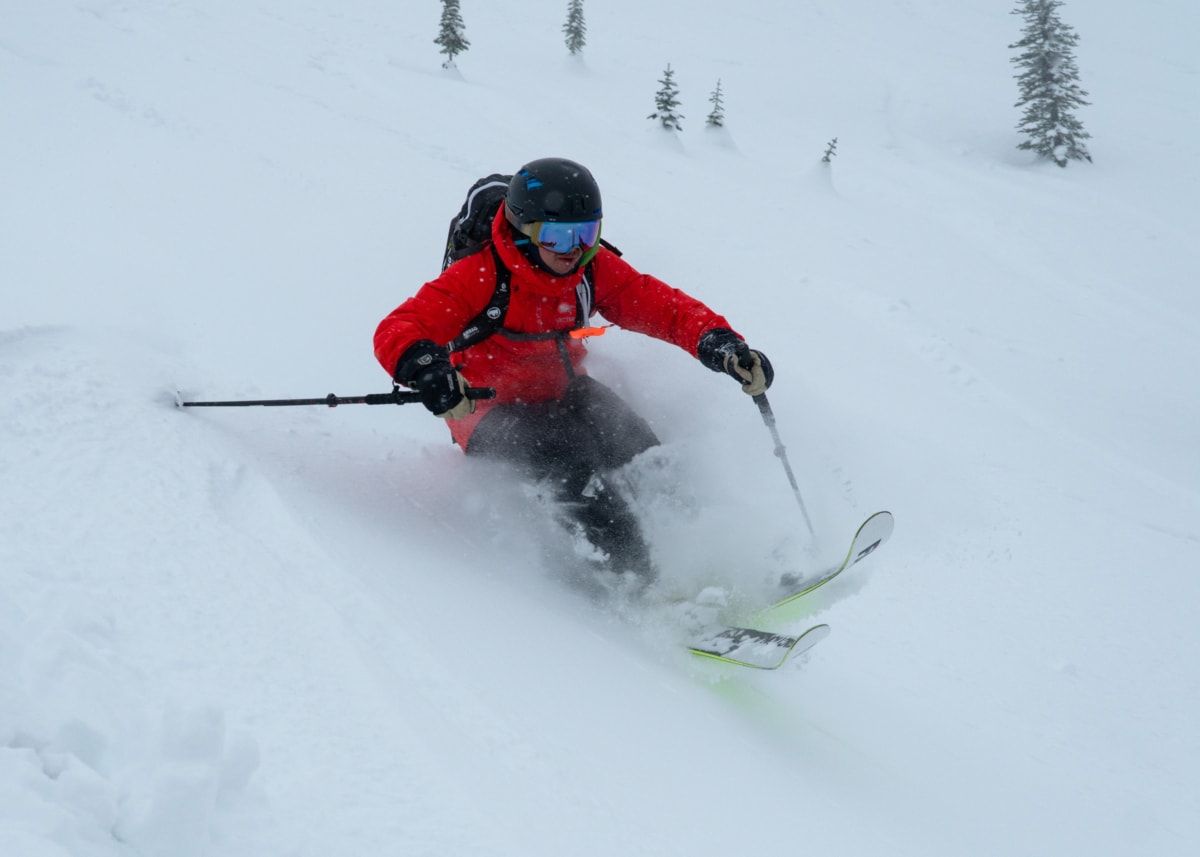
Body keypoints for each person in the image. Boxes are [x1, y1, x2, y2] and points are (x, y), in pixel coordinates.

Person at [374, 157, 773, 588]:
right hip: (485, 411)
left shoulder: (591, 269)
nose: (573, 250)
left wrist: (720, 343)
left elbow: (662, 306)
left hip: (564, 391)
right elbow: (399, 328)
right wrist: (428, 369)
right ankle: (638, 587)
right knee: (571, 468)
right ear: (524, 230)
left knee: (641, 450)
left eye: (586, 233)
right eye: (558, 236)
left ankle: (707, 558)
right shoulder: (480, 275)